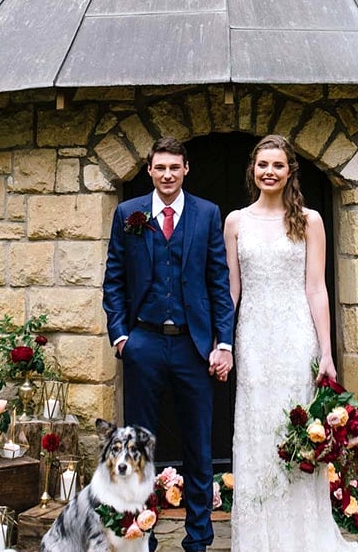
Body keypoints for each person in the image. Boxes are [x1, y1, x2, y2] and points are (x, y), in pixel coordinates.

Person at [224, 134, 358, 552]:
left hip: (294, 337)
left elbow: (316, 289)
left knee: (297, 434)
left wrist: (326, 351)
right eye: (262, 165)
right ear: (253, 170)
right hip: (253, 339)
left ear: (290, 172)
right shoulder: (236, 221)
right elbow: (231, 290)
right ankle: (257, 538)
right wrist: (225, 343)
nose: (269, 172)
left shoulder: (310, 220)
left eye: (278, 165)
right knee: (256, 434)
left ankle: (301, 536)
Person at [103, 136, 235, 552]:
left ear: (186, 169)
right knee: (138, 446)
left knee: (199, 447)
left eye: (174, 168)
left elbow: (219, 283)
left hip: (193, 347)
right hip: (143, 343)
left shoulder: (207, 214)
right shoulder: (129, 213)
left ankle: (198, 538)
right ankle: (142, 535)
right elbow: (114, 280)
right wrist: (123, 337)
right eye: (160, 168)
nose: (167, 175)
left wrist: (224, 343)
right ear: (150, 170)